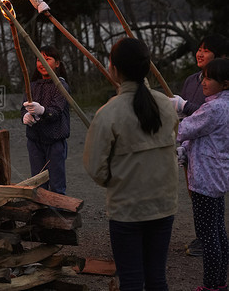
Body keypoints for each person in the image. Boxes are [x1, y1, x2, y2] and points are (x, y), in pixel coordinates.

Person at [83, 38, 179, 290]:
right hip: (163, 206)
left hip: (127, 210)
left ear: (113, 68)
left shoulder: (108, 113)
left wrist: (117, 181)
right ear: (147, 67)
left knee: (132, 281)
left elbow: (95, 168)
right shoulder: (166, 105)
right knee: (157, 278)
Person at [170, 34, 229, 257]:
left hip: (208, 165)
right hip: (196, 154)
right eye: (199, 49)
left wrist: (183, 106)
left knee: (208, 212)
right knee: (202, 205)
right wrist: (184, 147)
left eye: (207, 50)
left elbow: (197, 120)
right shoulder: (193, 80)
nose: (200, 53)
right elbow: (189, 121)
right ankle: (207, 240)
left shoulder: (218, 104)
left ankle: (213, 275)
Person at [177, 58, 229, 291]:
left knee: (208, 235)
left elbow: (185, 128)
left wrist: (178, 108)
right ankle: (220, 281)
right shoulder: (224, 105)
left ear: (225, 83)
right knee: (218, 231)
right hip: (218, 176)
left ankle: (210, 285)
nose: (203, 82)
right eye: (203, 77)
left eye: (209, 78)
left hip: (204, 178)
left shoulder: (213, 108)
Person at [21, 45, 70, 194]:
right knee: (38, 181)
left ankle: (59, 211)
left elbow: (56, 111)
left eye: (46, 59)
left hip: (55, 141)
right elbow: (23, 107)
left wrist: (42, 111)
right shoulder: (33, 85)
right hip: (35, 140)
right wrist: (25, 115)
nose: (41, 63)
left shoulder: (61, 85)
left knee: (56, 182)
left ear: (57, 63)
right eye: (39, 59)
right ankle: (41, 211)